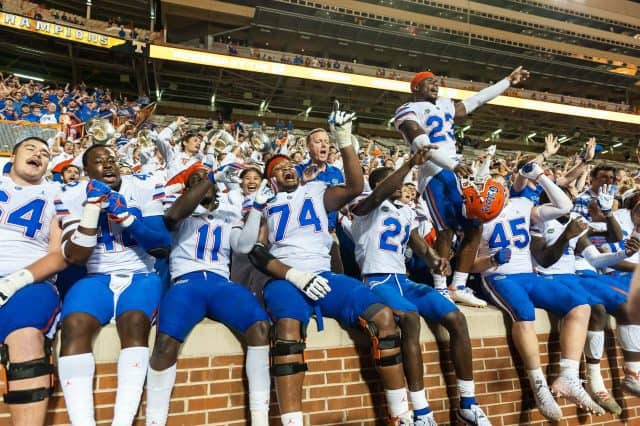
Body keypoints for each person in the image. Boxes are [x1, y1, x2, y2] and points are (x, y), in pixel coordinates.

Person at [233, 109, 409, 425]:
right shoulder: (265, 205)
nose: (288, 171)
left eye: (291, 166)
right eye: (280, 169)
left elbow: (355, 186)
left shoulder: (316, 191)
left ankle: (402, 414)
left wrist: (344, 139)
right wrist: (293, 275)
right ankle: (292, 421)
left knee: (383, 318)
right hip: (285, 278)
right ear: (271, 180)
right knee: (288, 331)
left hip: (324, 275)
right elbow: (256, 252)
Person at [349, 154, 491, 426]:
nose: (404, 186)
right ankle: (421, 411)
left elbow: (421, 248)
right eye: (397, 181)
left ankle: (467, 403)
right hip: (377, 279)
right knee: (411, 319)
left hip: (404, 279)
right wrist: (407, 165)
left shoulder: (406, 212)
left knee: (456, 319)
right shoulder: (365, 204)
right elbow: (379, 195)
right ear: (383, 183)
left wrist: (436, 262)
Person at [474, 162, 603, 420]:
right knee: (524, 312)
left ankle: (568, 375)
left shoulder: (522, 206)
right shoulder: (477, 216)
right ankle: (538, 384)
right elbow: (467, 265)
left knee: (580, 306)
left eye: (502, 186)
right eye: (493, 186)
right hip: (499, 276)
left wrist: (541, 176)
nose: (499, 190)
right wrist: (492, 260)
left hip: (529, 275)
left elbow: (564, 206)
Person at [145, 165, 271, 426]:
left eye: (207, 179)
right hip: (186, 282)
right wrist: (209, 178)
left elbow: (244, 246)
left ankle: (261, 418)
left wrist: (257, 209)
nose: (203, 182)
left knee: (259, 326)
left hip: (220, 283)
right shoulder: (178, 206)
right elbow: (171, 218)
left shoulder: (229, 211)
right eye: (196, 180)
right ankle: (154, 420)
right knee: (165, 342)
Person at [56, 145, 172, 426]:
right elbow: (77, 256)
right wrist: (92, 209)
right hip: (96, 275)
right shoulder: (71, 195)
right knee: (74, 325)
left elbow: (161, 246)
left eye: (112, 160)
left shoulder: (143, 186)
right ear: (86, 172)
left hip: (140, 274)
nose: (108, 165)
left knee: (134, 322)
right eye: (99, 162)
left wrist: (128, 219)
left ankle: (123, 421)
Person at [394, 66, 529, 307]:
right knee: (445, 229)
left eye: (437, 81)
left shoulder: (445, 104)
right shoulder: (407, 109)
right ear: (416, 87)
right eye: (430, 81)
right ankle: (440, 288)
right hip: (435, 171)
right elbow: (420, 142)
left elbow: (477, 99)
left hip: (457, 170)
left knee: (475, 224)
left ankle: (459, 284)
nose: (436, 85)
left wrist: (507, 81)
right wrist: (450, 165)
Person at [530, 189, 640, 414]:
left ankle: (630, 373)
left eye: (568, 199)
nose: (566, 204)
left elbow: (596, 258)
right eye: (559, 201)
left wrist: (624, 254)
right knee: (595, 309)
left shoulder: (573, 222)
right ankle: (595, 381)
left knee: (620, 306)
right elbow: (545, 261)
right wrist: (565, 236)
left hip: (575, 275)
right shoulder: (537, 221)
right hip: (549, 277)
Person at [0, 137, 68, 426]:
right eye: (30, 149)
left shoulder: (56, 193)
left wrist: (15, 281)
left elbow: (59, 256)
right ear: (12, 156)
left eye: (45, 154)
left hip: (29, 281)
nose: (38, 155)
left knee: (26, 338)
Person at [295, 128, 346, 273]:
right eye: (318, 142)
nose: (324, 145)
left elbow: (341, 201)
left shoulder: (336, 173)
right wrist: (302, 182)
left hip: (330, 233)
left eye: (326, 142)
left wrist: (345, 206)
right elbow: (289, 200)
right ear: (308, 148)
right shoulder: (298, 170)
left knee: (337, 274)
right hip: (304, 234)